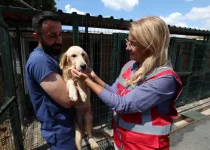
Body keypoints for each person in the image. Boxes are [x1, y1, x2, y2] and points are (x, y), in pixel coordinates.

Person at [71, 16, 183, 150]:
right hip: (121, 141)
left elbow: (121, 105)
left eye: (133, 44)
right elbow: (114, 93)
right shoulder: (130, 66)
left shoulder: (164, 79)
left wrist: (87, 81)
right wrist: (93, 77)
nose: (127, 47)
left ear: (150, 46)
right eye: (127, 41)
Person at [25, 12, 77, 150]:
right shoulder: (40, 60)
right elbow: (68, 99)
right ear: (37, 36)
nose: (59, 40)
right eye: (52, 36)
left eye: (60, 34)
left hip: (66, 125)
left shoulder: (51, 56)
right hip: (59, 130)